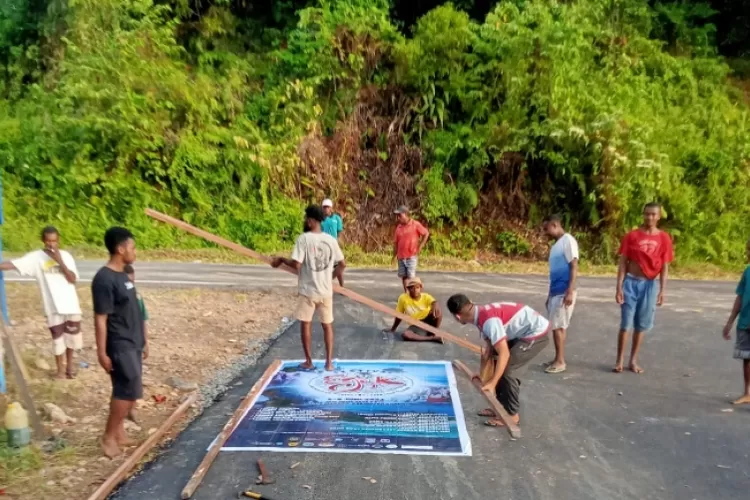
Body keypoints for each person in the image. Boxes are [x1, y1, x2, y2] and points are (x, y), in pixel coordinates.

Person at [447, 294, 549, 427]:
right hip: (520, 330)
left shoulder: (489, 321)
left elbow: (504, 354)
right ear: (470, 302)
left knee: (508, 370)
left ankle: (512, 415)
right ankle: (500, 407)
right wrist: (483, 376)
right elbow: (489, 352)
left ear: (457, 316)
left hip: (535, 332)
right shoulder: (479, 315)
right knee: (496, 359)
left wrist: (493, 382)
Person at [92, 227, 148, 458]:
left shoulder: (123, 275)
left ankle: (119, 433)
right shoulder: (104, 280)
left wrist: (143, 341)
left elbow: (134, 310)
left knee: (126, 389)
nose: (135, 251)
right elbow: (100, 319)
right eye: (132, 247)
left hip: (133, 340)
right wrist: (102, 352)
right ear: (120, 248)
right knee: (127, 390)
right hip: (119, 343)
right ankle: (108, 436)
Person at [0, 226, 82, 380]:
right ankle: (60, 370)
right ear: (43, 241)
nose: (52, 244)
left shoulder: (66, 256)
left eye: (54, 241)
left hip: (70, 303)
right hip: (52, 305)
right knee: (58, 337)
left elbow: (72, 279)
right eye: (48, 241)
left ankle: (70, 367)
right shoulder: (36, 258)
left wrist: (60, 261)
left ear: (58, 240)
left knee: (71, 337)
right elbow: (13, 265)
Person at [271, 205, 346, 371]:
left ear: (311, 221)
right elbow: (342, 264)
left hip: (308, 291)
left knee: (306, 324)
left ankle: (309, 361)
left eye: (306, 218)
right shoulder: (331, 240)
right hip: (326, 291)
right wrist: (330, 277)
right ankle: (328, 363)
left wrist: (282, 260)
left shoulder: (303, 239)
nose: (305, 221)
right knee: (327, 326)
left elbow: (296, 264)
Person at [614, 202, 673, 374]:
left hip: (649, 285)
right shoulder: (632, 236)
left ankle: (633, 360)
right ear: (643, 215)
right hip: (631, 283)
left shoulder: (664, 238)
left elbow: (665, 266)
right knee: (626, 324)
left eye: (653, 214)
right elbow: (623, 262)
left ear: (659, 216)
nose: (650, 217)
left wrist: (662, 290)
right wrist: (619, 287)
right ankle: (619, 360)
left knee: (641, 324)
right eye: (647, 214)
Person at [542, 215, 579, 374]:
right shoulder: (556, 246)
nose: (545, 232)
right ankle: (557, 358)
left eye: (546, 228)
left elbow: (574, 265)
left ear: (555, 225)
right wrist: (549, 295)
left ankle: (560, 361)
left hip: (564, 291)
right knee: (557, 326)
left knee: (558, 327)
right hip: (555, 291)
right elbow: (553, 273)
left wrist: (569, 291)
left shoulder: (568, 241)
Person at [722, 238, 750, 405]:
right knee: (746, 358)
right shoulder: (747, 271)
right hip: (745, 321)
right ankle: (747, 393)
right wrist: (730, 321)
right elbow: (740, 297)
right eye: (749, 249)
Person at [124, 264, 149, 423]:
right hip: (122, 343)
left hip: (136, 342)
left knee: (135, 376)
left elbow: (143, 320)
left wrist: (146, 342)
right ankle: (125, 408)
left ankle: (131, 408)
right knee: (126, 377)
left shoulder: (137, 297)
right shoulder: (117, 298)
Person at [385, 277, 443, 343]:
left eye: (417, 287)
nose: (415, 290)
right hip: (417, 324)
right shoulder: (403, 298)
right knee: (406, 335)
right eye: (412, 288)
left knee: (438, 310)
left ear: (421, 288)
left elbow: (434, 302)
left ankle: (434, 332)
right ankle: (431, 338)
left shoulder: (426, 296)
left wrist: (435, 304)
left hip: (428, 320)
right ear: (408, 289)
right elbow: (399, 315)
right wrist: (393, 329)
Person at [392, 205, 429, 292]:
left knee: (411, 276)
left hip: (411, 255)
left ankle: (415, 292)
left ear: (405, 214)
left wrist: (420, 246)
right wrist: (394, 255)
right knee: (403, 276)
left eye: (400, 215)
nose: (398, 218)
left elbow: (426, 233)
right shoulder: (399, 228)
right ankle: (407, 294)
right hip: (401, 256)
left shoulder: (415, 224)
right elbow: (396, 243)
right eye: (397, 216)